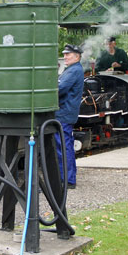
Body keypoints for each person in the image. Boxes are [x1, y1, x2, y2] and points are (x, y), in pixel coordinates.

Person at [55, 44, 84, 189]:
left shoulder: (73, 71)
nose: (65, 57)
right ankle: (67, 178)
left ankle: (67, 179)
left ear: (77, 56)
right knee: (65, 146)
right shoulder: (72, 69)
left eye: (68, 54)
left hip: (63, 114)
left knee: (63, 147)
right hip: (65, 113)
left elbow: (59, 89)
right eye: (65, 54)